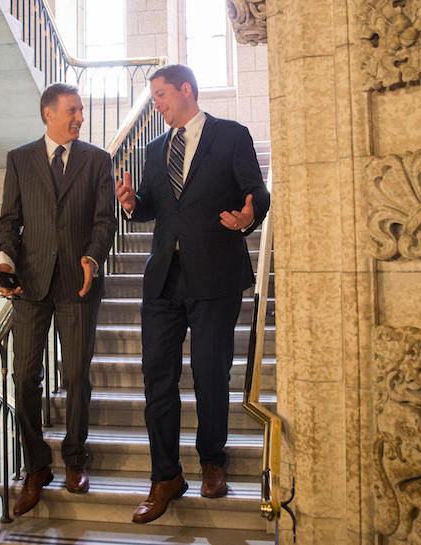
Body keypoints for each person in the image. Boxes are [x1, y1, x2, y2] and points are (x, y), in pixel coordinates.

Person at [115, 64, 270, 524]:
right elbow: (152, 207)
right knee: (156, 378)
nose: (157, 104)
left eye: (161, 95)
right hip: (164, 279)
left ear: (186, 90)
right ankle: (165, 475)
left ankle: (212, 461)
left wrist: (250, 216)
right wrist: (130, 204)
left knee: (209, 373)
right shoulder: (154, 148)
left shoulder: (232, 135)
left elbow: (257, 193)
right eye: (154, 97)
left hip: (216, 278)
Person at [0, 82, 116, 517]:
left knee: (76, 375)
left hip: (78, 285)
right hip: (30, 285)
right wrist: (5, 260)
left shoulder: (99, 160)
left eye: (81, 110)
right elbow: (9, 220)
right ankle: (37, 464)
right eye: (72, 110)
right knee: (24, 376)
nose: (79, 117)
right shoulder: (19, 159)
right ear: (48, 113)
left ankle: (75, 459)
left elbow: (105, 220)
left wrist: (92, 257)